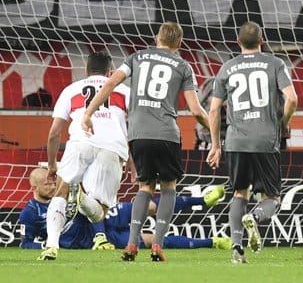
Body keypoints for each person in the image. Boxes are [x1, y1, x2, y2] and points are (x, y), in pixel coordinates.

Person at [82, 21, 210, 262]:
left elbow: (110, 83)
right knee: (168, 187)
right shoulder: (184, 66)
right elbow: (195, 109)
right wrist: (214, 136)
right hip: (166, 134)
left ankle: (132, 244)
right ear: (179, 43)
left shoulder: (136, 58)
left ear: (156, 38)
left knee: (145, 188)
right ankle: (157, 245)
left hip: (138, 134)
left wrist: (88, 113)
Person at [206, 21, 298, 264]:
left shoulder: (227, 67)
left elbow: (213, 111)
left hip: (235, 141)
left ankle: (237, 248)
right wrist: (284, 122)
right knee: (272, 198)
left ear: (237, 42)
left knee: (239, 194)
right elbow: (292, 98)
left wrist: (216, 145)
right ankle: (255, 217)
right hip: (265, 140)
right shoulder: (276, 64)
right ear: (262, 41)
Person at [39, 51, 131, 261]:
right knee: (100, 212)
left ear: (86, 71)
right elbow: (134, 127)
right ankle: (82, 198)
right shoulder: (124, 90)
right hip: (112, 147)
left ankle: (52, 245)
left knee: (60, 193)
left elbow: (54, 133)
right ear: (110, 72)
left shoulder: (71, 90)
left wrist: (53, 165)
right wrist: (134, 161)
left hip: (80, 142)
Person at [20, 168, 231, 251]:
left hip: (105, 219)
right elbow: (25, 243)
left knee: (150, 205)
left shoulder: (64, 195)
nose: (52, 185)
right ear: (34, 187)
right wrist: (44, 246)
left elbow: (88, 209)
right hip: (90, 241)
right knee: (153, 240)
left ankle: (204, 201)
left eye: (53, 181)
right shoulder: (29, 213)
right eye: (47, 183)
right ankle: (213, 242)